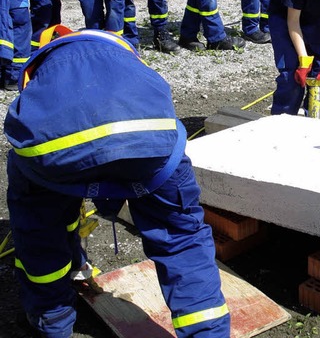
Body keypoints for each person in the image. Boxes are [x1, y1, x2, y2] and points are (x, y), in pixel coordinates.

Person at [4, 27, 230, 338]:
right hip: (149, 142)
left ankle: (52, 323)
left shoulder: (41, 63)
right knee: (181, 240)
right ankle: (208, 333)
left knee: (41, 234)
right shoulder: (120, 50)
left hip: (54, 154)